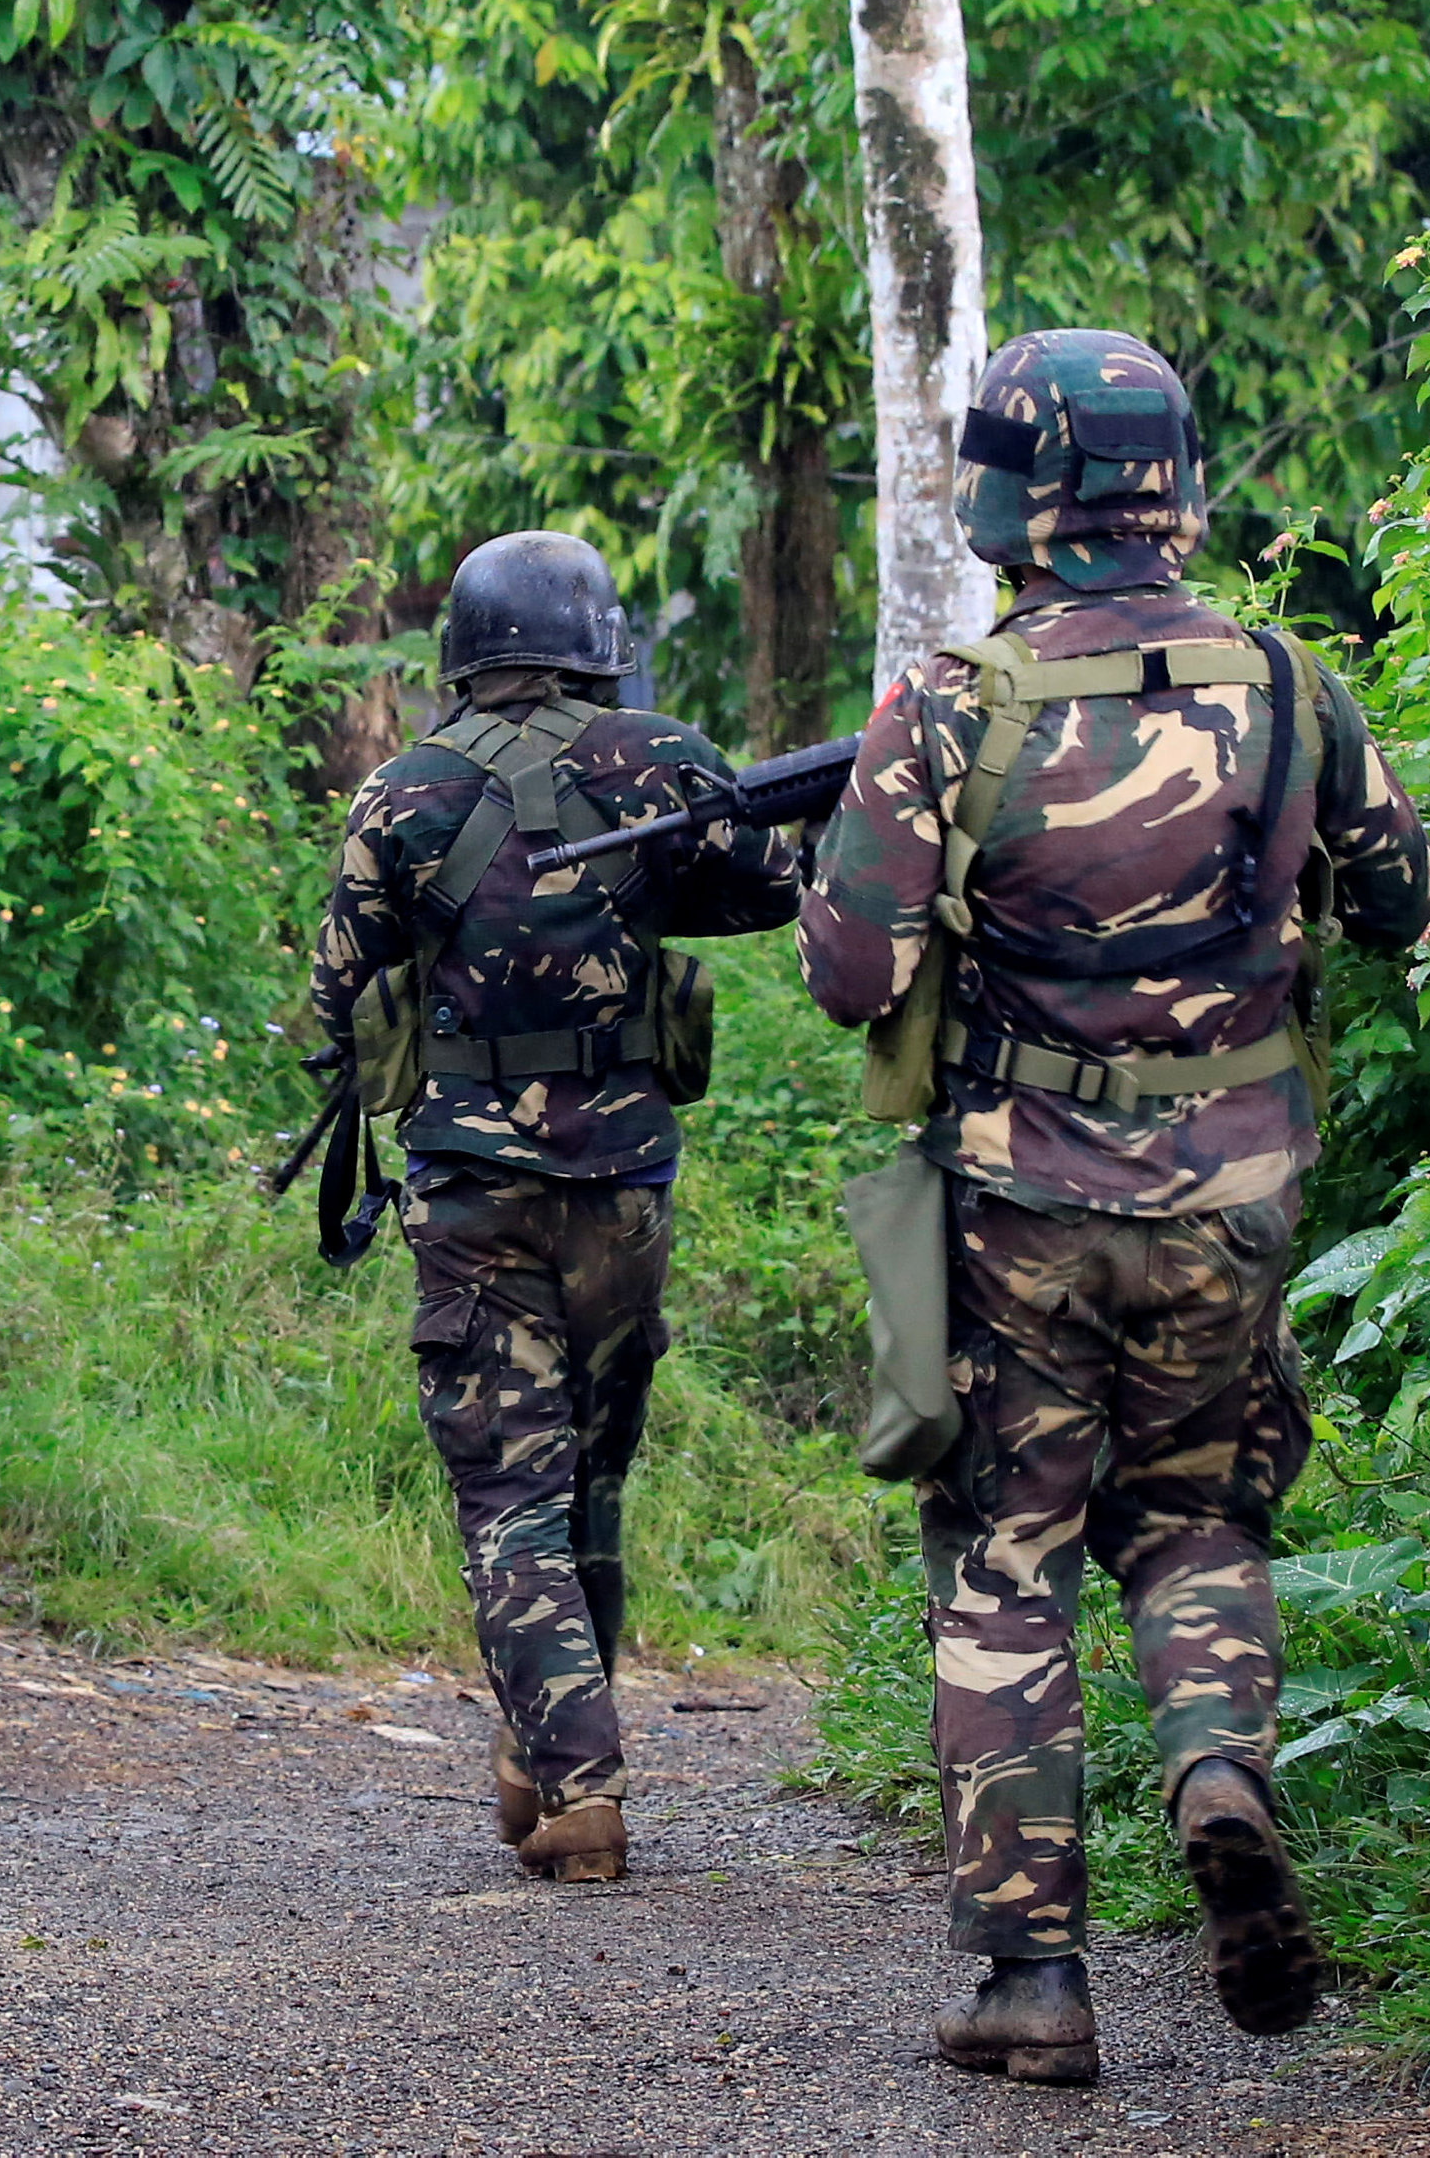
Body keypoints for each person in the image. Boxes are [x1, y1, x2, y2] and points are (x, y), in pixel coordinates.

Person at [797, 331, 1430, 2085]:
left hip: (1016, 1208)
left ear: (1013, 497)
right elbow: (1399, 895)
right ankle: (1216, 1761)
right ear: (1173, 485)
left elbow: (853, 972)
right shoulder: (1293, 685)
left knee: (1008, 1559)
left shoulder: (950, 701)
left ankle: (1027, 1977)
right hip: (1230, 1204)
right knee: (1197, 1520)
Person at [310, 532, 802, 1883]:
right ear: (593, 638)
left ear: (466, 643)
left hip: (472, 1193)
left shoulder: (401, 791)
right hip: (625, 1186)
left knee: (508, 1490)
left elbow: (336, 987)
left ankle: (578, 1781)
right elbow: (770, 893)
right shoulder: (667, 759)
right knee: (590, 1473)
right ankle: (541, 1748)